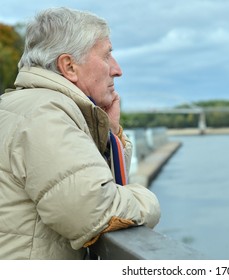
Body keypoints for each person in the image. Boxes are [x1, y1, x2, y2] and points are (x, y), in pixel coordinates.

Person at [0, 7, 160, 259]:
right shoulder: (46, 114)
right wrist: (146, 199)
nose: (117, 70)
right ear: (69, 67)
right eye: (107, 56)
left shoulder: (21, 106)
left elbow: (72, 183)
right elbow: (96, 212)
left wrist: (110, 134)